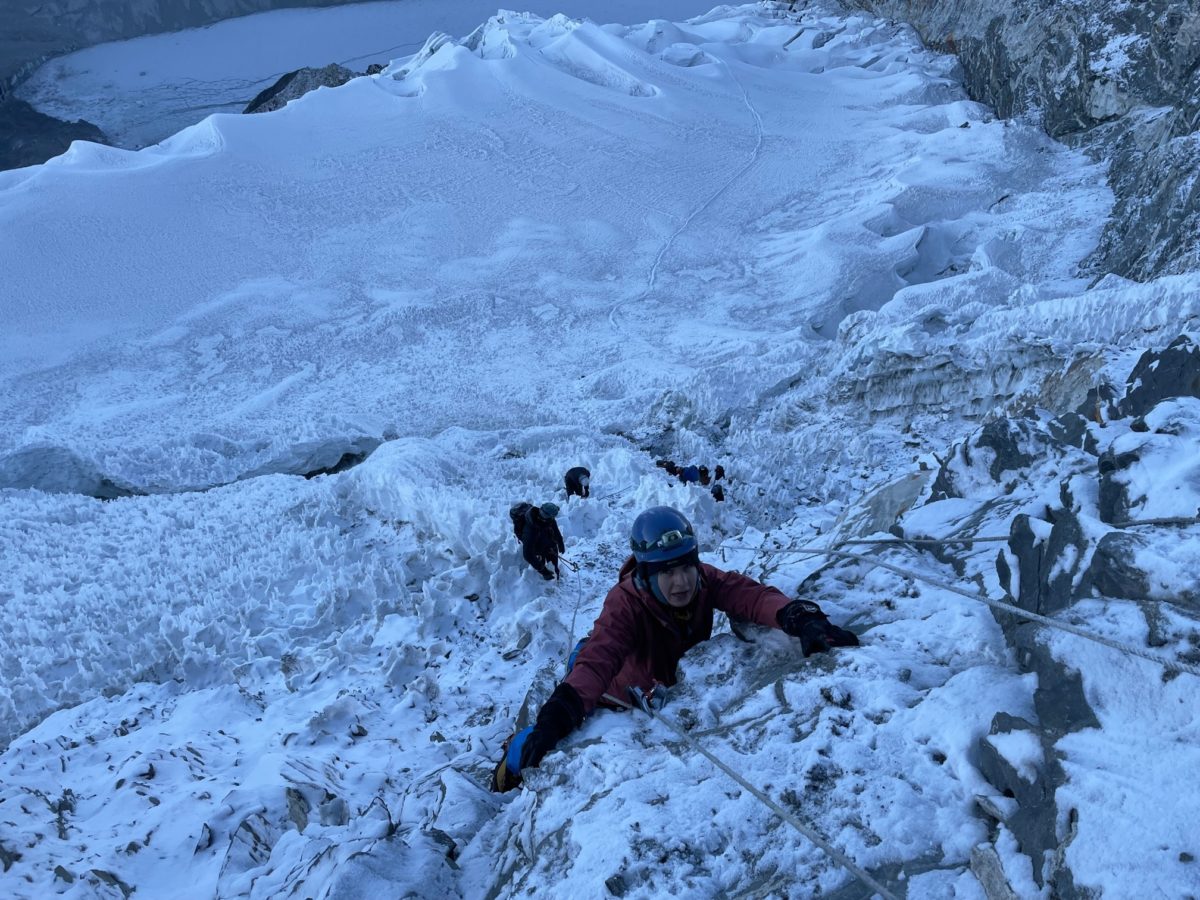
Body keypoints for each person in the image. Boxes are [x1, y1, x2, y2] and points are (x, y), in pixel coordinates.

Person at [491, 506, 858, 791]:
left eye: (686, 566)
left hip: (655, 674)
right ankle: (507, 763)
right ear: (647, 574)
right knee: (541, 737)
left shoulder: (702, 580)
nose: (680, 580)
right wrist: (556, 718)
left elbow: (749, 596)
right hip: (614, 687)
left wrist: (800, 616)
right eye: (666, 571)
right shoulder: (625, 602)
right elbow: (598, 663)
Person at [509, 501, 565, 580]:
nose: (553, 519)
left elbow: (555, 529)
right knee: (544, 560)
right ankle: (545, 579)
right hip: (536, 546)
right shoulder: (530, 531)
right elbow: (528, 555)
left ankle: (555, 574)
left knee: (553, 557)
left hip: (545, 540)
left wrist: (560, 542)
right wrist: (543, 571)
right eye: (553, 517)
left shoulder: (547, 519)